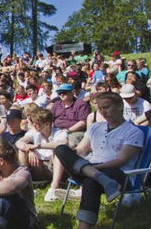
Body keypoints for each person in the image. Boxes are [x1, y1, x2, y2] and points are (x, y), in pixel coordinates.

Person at [54, 92, 144, 229]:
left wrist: (93, 168)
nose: (103, 112)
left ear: (120, 106)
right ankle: (102, 180)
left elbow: (121, 160)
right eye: (100, 109)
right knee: (60, 149)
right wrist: (70, 154)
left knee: (91, 182)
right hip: (90, 168)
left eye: (106, 107)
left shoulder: (133, 132)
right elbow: (81, 150)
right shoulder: (95, 127)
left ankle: (83, 227)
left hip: (118, 173)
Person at [18, 108, 69, 202]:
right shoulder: (34, 132)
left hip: (56, 166)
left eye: (37, 123)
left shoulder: (59, 133)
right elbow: (19, 142)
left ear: (47, 124)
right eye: (33, 122)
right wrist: (30, 150)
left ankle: (54, 187)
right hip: (39, 165)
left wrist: (37, 146)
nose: (34, 125)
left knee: (57, 150)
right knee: (22, 151)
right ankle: (23, 185)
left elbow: (63, 143)